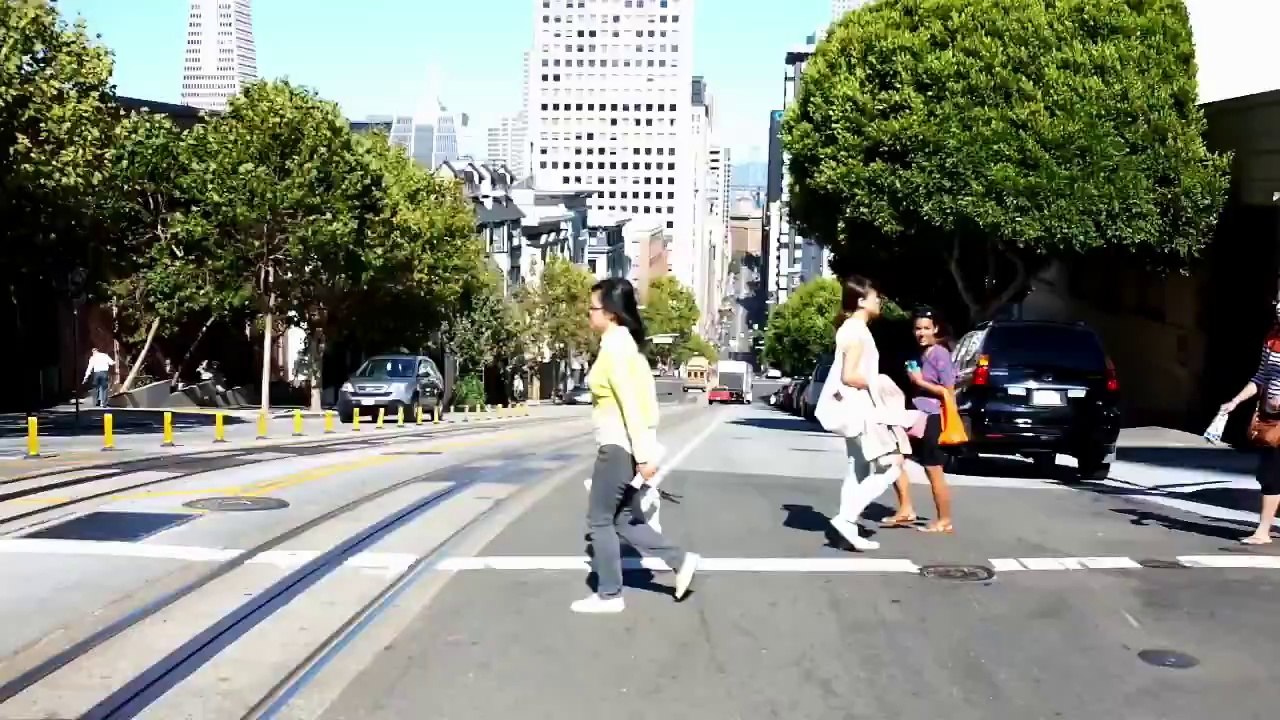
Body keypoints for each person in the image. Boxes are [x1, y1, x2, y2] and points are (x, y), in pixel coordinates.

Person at [573, 277, 699, 613]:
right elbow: (646, 406)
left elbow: (631, 405)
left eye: (593, 308)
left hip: (617, 447)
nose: (589, 314)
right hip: (625, 447)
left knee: (599, 520)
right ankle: (680, 560)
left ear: (611, 313)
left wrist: (643, 455)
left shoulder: (616, 350)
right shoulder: (626, 348)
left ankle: (610, 594)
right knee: (623, 520)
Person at [826, 275, 910, 551]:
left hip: (856, 409)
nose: (880, 301)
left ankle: (847, 528)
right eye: (875, 297)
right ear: (861, 301)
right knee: (892, 465)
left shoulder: (853, 328)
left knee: (858, 468)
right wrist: (880, 383)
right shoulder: (857, 331)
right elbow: (850, 376)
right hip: (862, 410)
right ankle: (847, 518)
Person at [882, 307, 957, 534]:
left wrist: (919, 382)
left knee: (932, 469)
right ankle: (906, 509)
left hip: (933, 418)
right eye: (917, 328)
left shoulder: (940, 354)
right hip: (916, 416)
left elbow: (949, 392)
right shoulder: (919, 355)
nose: (921, 333)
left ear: (935, 329)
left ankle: (944, 519)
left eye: (926, 328)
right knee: (894, 457)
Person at [1220, 299, 1280, 545]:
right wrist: (1235, 401)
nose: (1278, 307)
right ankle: (1263, 531)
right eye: (1278, 301)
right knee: (1270, 474)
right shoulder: (1272, 338)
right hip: (1271, 421)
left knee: (1273, 472)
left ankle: (1263, 531)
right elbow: (1261, 377)